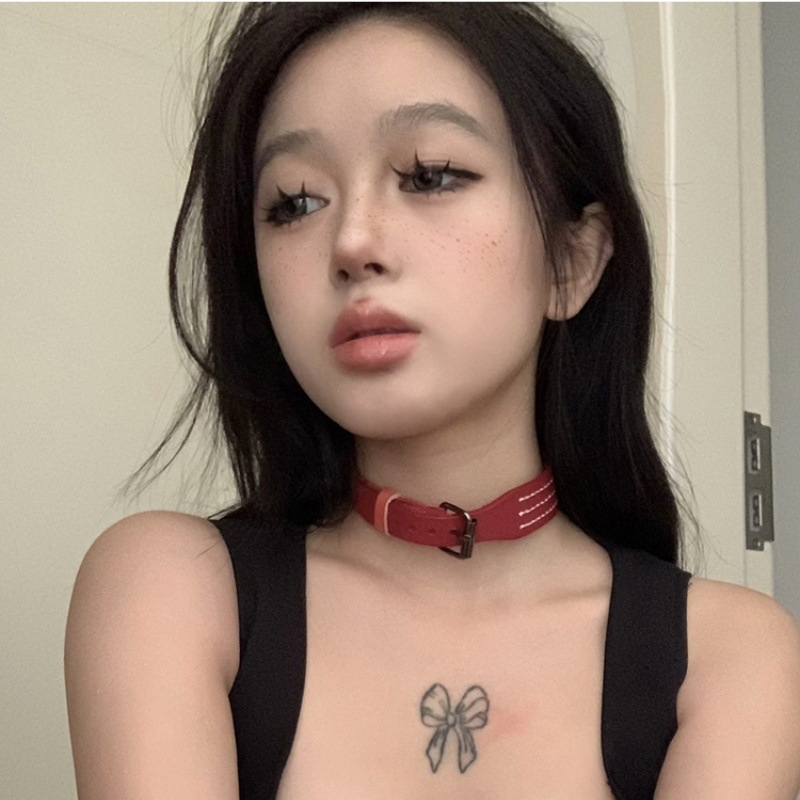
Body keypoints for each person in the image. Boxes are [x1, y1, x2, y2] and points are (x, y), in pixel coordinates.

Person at [64, 3, 800, 798]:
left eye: (431, 175)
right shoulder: (174, 591)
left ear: (572, 261)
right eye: (297, 200)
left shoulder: (729, 658)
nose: (353, 242)